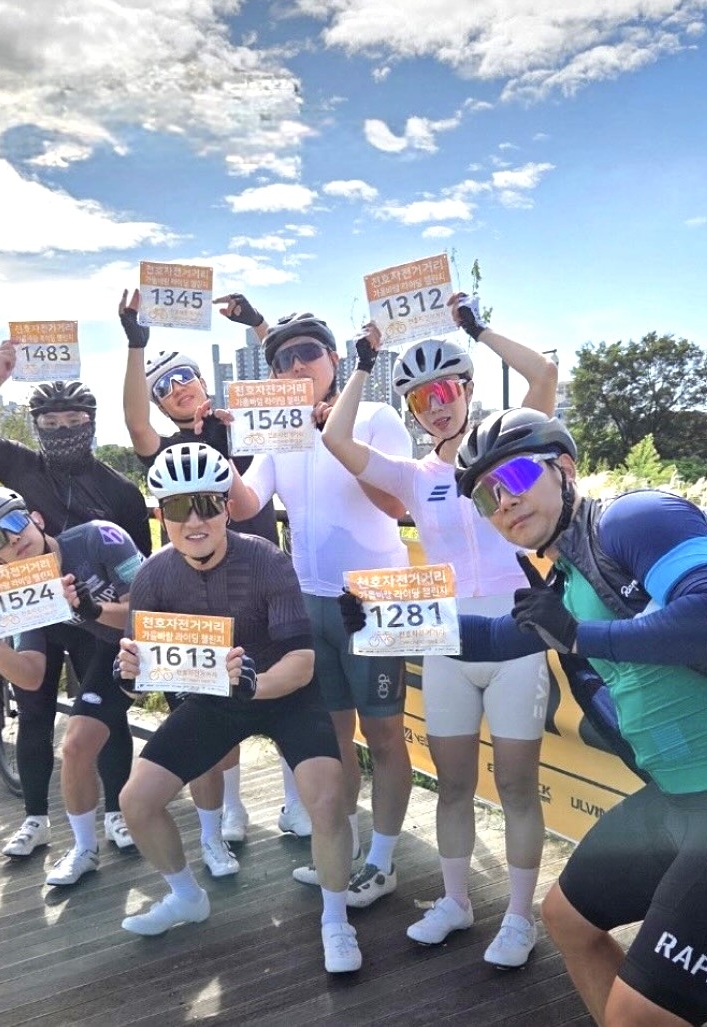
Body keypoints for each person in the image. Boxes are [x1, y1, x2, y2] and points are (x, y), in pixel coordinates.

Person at [444, 408, 707, 1025]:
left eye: (514, 476)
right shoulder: (568, 579)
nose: (504, 501)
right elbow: (492, 637)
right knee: (566, 920)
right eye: (487, 496)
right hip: (681, 802)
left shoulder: (635, 517)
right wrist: (379, 628)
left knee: (637, 1015)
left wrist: (579, 635)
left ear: (564, 468)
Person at [320, 294, 558, 967]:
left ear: (469, 390)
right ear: (412, 411)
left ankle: (519, 917)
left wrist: (478, 329)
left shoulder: (509, 451)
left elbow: (543, 375)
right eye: (422, 399)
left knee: (516, 786)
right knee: (452, 785)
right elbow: (336, 440)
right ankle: (456, 902)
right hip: (448, 639)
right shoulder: (415, 476)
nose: (437, 406)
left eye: (447, 390)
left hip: (515, 635)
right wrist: (361, 364)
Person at [115, 443, 361, 974]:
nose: (194, 521)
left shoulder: (267, 560)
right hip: (216, 698)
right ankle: (186, 896)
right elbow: (142, 681)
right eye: (179, 508)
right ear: (160, 515)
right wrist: (129, 676)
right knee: (135, 800)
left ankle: (336, 918)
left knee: (326, 799)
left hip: (284, 693)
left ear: (227, 507)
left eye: (207, 504)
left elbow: (302, 662)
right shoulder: (152, 576)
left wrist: (255, 684)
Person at [225, 310, 414, 909]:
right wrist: (222, 452)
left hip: (375, 598)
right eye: (282, 360)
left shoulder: (377, 417)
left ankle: (383, 862)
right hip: (310, 599)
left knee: (384, 734)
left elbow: (396, 505)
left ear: (335, 359)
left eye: (308, 352)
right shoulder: (278, 432)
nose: (296, 366)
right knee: (333, 737)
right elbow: (244, 504)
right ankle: (345, 850)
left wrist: (338, 435)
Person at [0, 352, 151, 857]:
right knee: (33, 712)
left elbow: (140, 578)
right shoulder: (20, 464)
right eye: (49, 424)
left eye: (73, 421)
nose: (62, 431)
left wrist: (108, 614)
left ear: (92, 423)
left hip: (96, 614)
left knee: (106, 717)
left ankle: (116, 812)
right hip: (34, 608)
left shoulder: (119, 492)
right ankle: (35, 819)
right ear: (35, 427)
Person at [119, 291, 281, 849]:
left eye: (184, 375)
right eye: (164, 386)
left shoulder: (244, 425)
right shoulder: (168, 450)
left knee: (284, 686)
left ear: (204, 380)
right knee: (219, 694)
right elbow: (134, 423)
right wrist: (135, 344)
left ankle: (295, 800)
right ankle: (232, 806)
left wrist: (259, 324)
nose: (178, 387)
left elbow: (291, 388)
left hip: (264, 574)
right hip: (203, 586)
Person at [0, 487, 144, 886]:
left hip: (118, 642)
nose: (12, 537)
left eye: (14, 521)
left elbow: (148, 610)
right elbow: (29, 675)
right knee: (40, 716)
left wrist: (93, 609)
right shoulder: (18, 587)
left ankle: (117, 813)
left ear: (37, 519)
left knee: (100, 726)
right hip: (63, 628)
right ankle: (54, 830)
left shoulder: (100, 537)